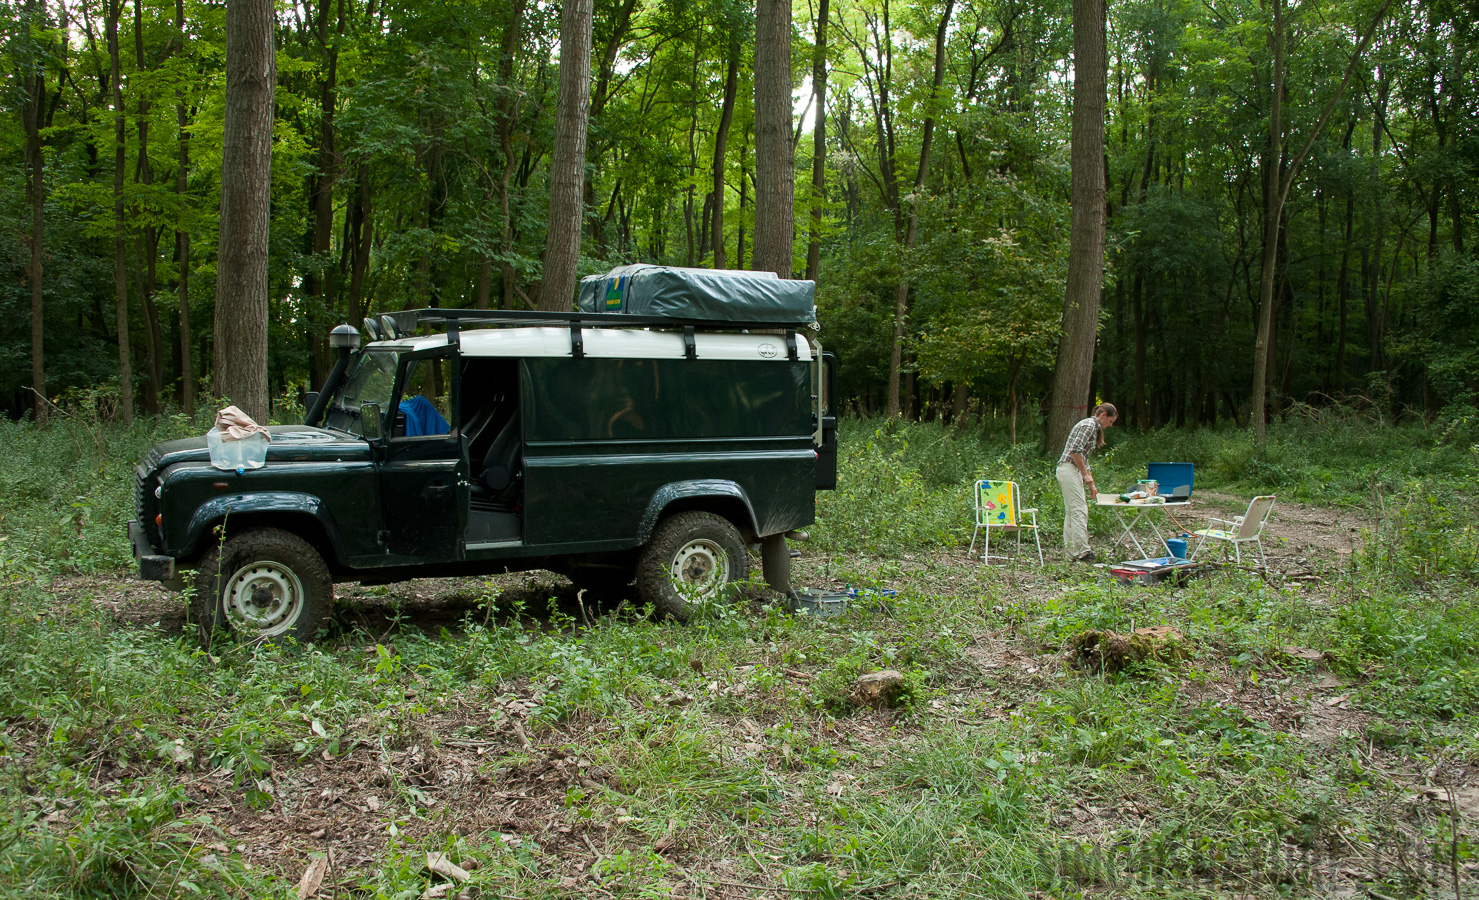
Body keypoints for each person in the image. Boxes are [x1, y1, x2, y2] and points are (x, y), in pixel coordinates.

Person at [1056, 403, 1117, 563]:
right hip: (1069, 468)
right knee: (1079, 510)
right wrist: (1084, 474)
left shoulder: (1093, 428)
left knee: (1072, 512)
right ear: (1103, 415)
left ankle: (1072, 552)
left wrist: (1091, 483)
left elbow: (1084, 458)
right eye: (1110, 421)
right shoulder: (1088, 425)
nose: (1110, 426)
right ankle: (1083, 552)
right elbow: (1075, 451)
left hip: (1072, 470)